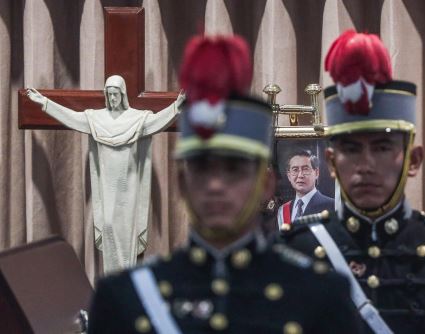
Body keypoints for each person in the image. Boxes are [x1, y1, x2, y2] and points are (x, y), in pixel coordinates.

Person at [87, 34, 362, 334]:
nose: (216, 185)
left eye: (234, 170)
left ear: (267, 183)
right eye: (203, 168)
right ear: (182, 182)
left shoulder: (321, 297)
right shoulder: (125, 299)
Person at [280, 30, 425, 333]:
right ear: (331, 162)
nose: (366, 165)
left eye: (382, 148)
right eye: (351, 148)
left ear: (414, 160)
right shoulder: (294, 250)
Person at [26, 76, 184, 273]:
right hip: (107, 187)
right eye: (109, 94)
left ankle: (124, 282)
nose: (112, 98)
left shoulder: (136, 119)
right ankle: (112, 280)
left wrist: (176, 107)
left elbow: (156, 122)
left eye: (115, 94)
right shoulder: (96, 119)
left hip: (129, 186)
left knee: (127, 233)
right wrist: (47, 104)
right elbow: (73, 118)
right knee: (108, 225)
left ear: (123, 94)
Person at [277, 149, 334, 228]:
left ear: (316, 173)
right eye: (295, 170)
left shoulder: (332, 206)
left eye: (305, 169)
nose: (300, 175)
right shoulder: (283, 210)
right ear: (289, 176)